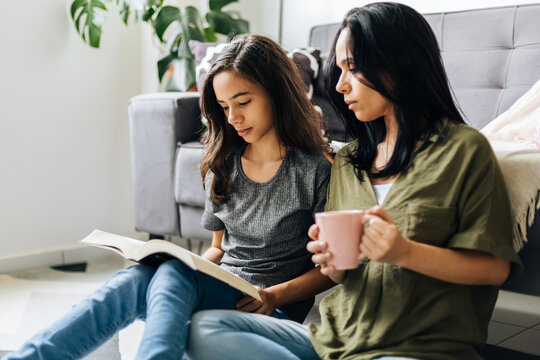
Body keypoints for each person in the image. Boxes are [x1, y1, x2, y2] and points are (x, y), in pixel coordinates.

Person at [186, 3, 523, 360]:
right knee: (203, 330)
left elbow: (494, 269)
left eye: (353, 68)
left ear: (398, 64)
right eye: (340, 68)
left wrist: (404, 252)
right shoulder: (347, 161)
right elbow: (339, 275)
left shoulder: (464, 151)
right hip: (333, 341)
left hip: (415, 346)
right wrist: (333, 265)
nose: (339, 84)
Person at [3, 34, 335, 360]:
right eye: (224, 107)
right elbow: (219, 248)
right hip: (218, 287)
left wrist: (274, 295)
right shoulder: (224, 164)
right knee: (138, 277)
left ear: (276, 93)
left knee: (171, 275)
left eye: (243, 102)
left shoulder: (315, 170)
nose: (233, 117)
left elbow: (331, 270)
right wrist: (190, 265)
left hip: (267, 308)